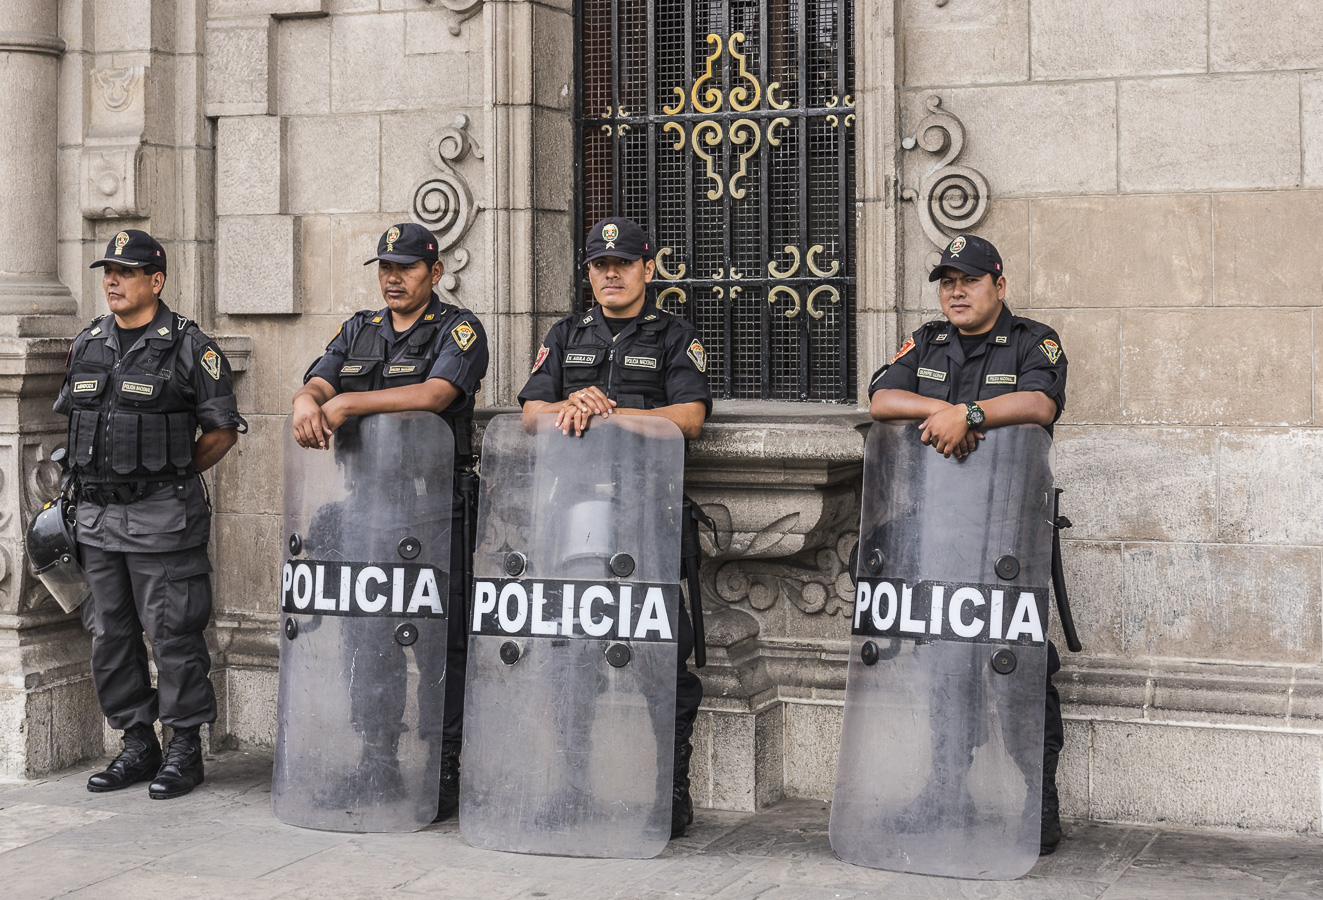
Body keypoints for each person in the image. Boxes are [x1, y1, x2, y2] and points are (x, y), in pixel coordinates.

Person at [867, 233, 1068, 854]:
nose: (956, 291)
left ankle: (1039, 804)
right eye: (947, 281)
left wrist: (972, 417)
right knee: (946, 667)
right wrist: (949, 409)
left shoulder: (1034, 341)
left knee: (1020, 668)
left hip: (1008, 536)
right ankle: (945, 792)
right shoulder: (928, 341)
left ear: (998, 286)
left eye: (970, 280)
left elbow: (1040, 403)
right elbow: (881, 398)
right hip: (941, 531)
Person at [518, 216, 711, 838]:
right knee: (572, 661)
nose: (609, 275)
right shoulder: (565, 333)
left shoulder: (674, 336)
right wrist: (569, 405)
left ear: (647, 271)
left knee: (665, 659)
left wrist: (613, 411)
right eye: (599, 266)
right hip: (572, 523)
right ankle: (570, 785)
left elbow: (687, 418)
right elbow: (529, 415)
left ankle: (668, 791)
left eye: (622, 265)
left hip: (646, 519)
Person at [292, 222, 488, 821]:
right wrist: (308, 401)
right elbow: (318, 380)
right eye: (384, 267)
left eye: (405, 268)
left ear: (434, 271)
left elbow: (434, 395)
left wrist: (349, 403)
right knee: (370, 634)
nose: (392, 278)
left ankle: (445, 764)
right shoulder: (361, 329)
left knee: (441, 640)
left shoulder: (459, 328)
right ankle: (377, 758)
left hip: (435, 507)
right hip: (368, 507)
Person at [55, 229, 247, 799]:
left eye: (126, 271)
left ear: (155, 281)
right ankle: (138, 744)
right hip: (96, 520)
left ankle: (184, 748)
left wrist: (171, 474)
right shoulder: (88, 342)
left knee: (174, 636)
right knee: (109, 636)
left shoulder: (191, 346)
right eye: (107, 271)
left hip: (162, 517)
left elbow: (221, 430)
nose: (111, 280)